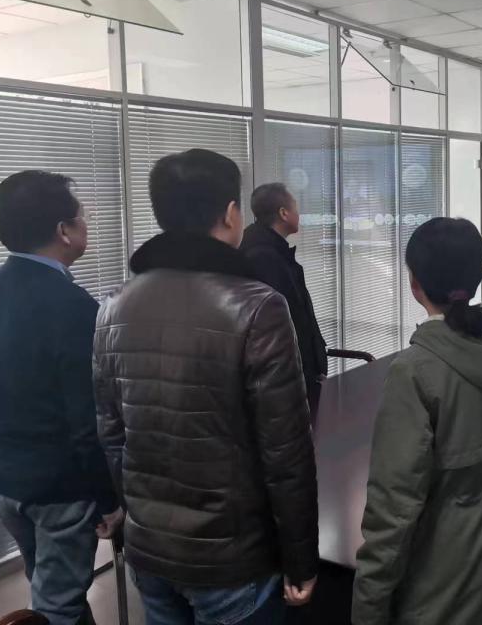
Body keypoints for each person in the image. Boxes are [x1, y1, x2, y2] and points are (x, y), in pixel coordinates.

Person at [93, 150, 318, 625]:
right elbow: (285, 451)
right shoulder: (258, 306)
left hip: (150, 549)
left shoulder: (113, 305)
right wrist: (301, 559)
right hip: (232, 560)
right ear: (231, 213)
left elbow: (111, 435)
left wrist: (139, 518)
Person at [353, 218, 482, 625]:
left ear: (414, 284)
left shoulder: (416, 369)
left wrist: (368, 606)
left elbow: (393, 506)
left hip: (442, 565)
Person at [0, 170, 122, 625]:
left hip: (3, 478)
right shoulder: (74, 307)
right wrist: (107, 498)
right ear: (63, 231)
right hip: (57, 488)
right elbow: (86, 417)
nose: (87, 222)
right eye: (82, 215)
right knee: (57, 608)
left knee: (50, 587)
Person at [241, 183, 328, 422]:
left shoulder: (270, 251)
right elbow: (286, 324)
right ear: (283, 213)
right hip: (286, 385)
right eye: (296, 207)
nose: (299, 213)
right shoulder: (265, 258)